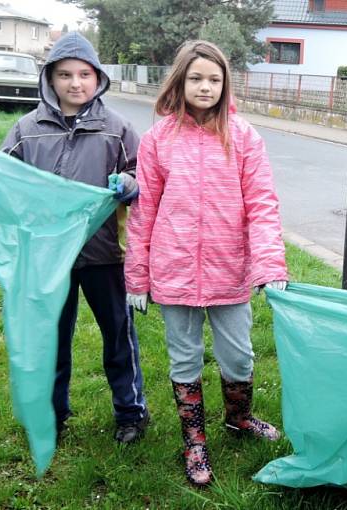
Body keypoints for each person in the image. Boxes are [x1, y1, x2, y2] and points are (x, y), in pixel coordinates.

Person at [0, 32, 150, 444]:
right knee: (52, 339)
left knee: (118, 336)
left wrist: (128, 184)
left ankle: (131, 412)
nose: (75, 83)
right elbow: (4, 175)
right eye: (64, 75)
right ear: (49, 79)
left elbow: (143, 175)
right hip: (47, 258)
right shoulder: (27, 129)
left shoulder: (117, 129)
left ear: (98, 77)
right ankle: (53, 414)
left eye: (84, 74)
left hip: (105, 255)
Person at [124, 40, 288, 488]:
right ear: (180, 80)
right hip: (173, 268)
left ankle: (239, 417)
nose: (205, 87)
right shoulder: (158, 139)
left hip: (229, 268)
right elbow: (144, 212)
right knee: (184, 358)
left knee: (238, 355)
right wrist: (137, 276)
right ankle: (194, 440)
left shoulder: (244, 137)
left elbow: (262, 204)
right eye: (196, 78)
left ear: (225, 84)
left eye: (214, 79)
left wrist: (270, 265)